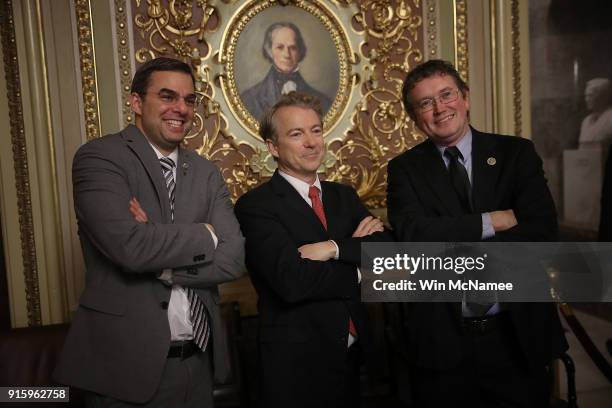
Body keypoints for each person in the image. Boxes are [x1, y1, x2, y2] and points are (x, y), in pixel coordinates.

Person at [54, 57, 245, 406]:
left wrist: (159, 257)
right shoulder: (100, 158)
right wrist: (206, 233)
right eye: (168, 96)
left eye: (189, 100)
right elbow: (130, 247)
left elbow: (233, 260)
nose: (181, 109)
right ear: (137, 102)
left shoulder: (205, 172)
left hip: (198, 365)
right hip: (124, 369)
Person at [387, 59, 568, 407]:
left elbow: (542, 234)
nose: (440, 109)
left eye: (446, 95)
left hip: (516, 336)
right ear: (414, 117)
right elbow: (412, 236)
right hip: (442, 344)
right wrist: (491, 221)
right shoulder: (403, 170)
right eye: (426, 103)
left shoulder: (516, 153)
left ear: (465, 98)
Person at [234, 92, 389, 408]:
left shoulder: (344, 196)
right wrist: (360, 266)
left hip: (356, 357)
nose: (311, 142)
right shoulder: (255, 206)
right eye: (296, 133)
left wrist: (331, 248)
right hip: (296, 365)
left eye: (316, 130)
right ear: (273, 147)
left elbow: (388, 253)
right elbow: (292, 281)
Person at [240, 22, 333, 121]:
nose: (287, 55)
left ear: (300, 51)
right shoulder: (248, 100)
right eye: (280, 47)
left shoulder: (324, 102)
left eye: (292, 48)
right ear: (269, 50)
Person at [579, 78, 612, 146]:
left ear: (603, 96)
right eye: (586, 96)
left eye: (591, 96)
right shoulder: (586, 121)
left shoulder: (610, 118)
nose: (587, 100)